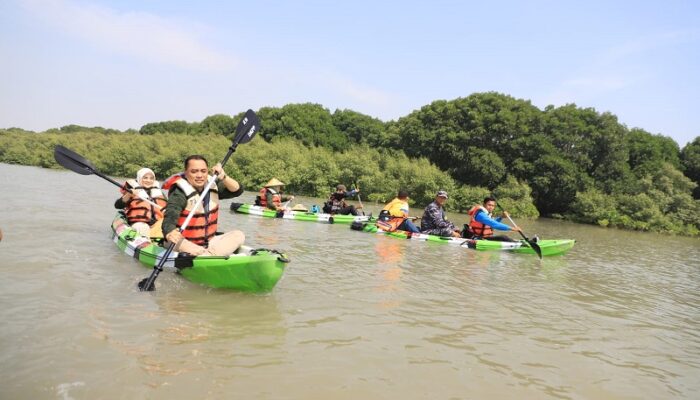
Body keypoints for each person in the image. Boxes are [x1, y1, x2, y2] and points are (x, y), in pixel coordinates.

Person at [161, 155, 245, 256]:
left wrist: (224, 177)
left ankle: (209, 255)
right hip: (182, 241)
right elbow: (169, 218)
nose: (199, 175)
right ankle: (210, 255)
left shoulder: (212, 185)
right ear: (186, 172)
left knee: (239, 235)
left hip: (209, 242)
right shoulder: (179, 192)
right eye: (194, 171)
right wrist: (170, 232)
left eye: (203, 171)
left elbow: (237, 191)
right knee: (198, 251)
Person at [114, 167, 167, 237]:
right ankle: (146, 245)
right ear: (139, 178)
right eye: (145, 178)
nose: (148, 180)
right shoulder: (132, 191)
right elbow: (118, 205)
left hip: (156, 223)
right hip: (139, 223)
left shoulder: (159, 193)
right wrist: (129, 195)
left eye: (151, 178)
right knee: (143, 228)